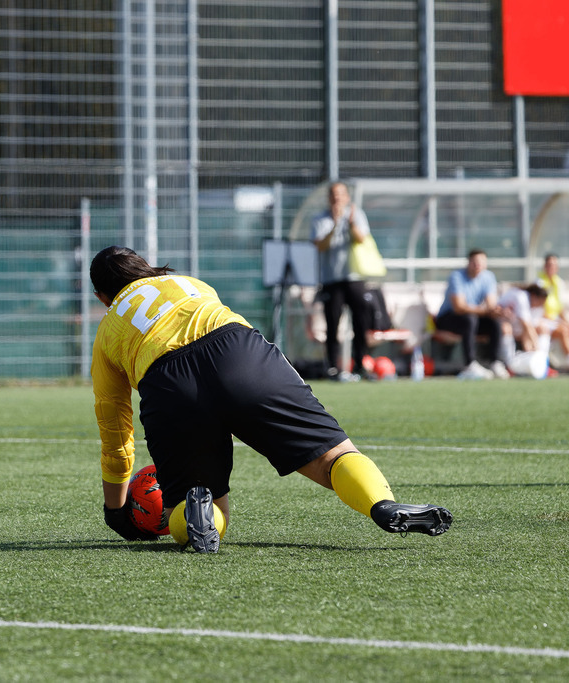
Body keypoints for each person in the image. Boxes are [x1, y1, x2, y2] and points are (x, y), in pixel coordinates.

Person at [89, 246, 451, 553]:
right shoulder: (186, 283)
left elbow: (115, 431)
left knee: (195, 505)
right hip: (238, 352)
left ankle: (197, 511)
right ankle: (381, 504)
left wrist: (115, 511)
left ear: (102, 297)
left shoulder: (107, 331)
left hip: (168, 382)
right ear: (146, 268)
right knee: (332, 456)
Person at [310, 181, 373, 381]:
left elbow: (361, 239)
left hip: (354, 277)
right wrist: (336, 224)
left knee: (360, 322)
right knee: (332, 324)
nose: (337, 198)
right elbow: (320, 245)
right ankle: (333, 367)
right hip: (331, 280)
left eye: (341, 194)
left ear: (347, 197)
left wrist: (351, 223)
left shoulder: (357, 214)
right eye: (333, 195)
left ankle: (361, 364)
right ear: (329, 198)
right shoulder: (320, 219)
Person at [434, 249, 508, 380]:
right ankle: (470, 363)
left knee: (495, 322)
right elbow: (459, 307)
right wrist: (485, 311)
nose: (477, 265)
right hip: (447, 319)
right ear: (468, 263)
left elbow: (491, 305)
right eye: (474, 262)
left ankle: (495, 362)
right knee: (469, 319)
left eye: (481, 262)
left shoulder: (488, 277)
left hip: (473, 318)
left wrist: (498, 311)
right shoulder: (457, 276)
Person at [536, 253, 569, 356]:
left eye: (554, 265)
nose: (552, 267)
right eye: (549, 265)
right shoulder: (539, 283)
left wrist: (565, 321)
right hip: (542, 320)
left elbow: (560, 308)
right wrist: (557, 321)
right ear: (545, 266)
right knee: (563, 331)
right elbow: (538, 309)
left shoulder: (559, 283)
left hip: (554, 320)